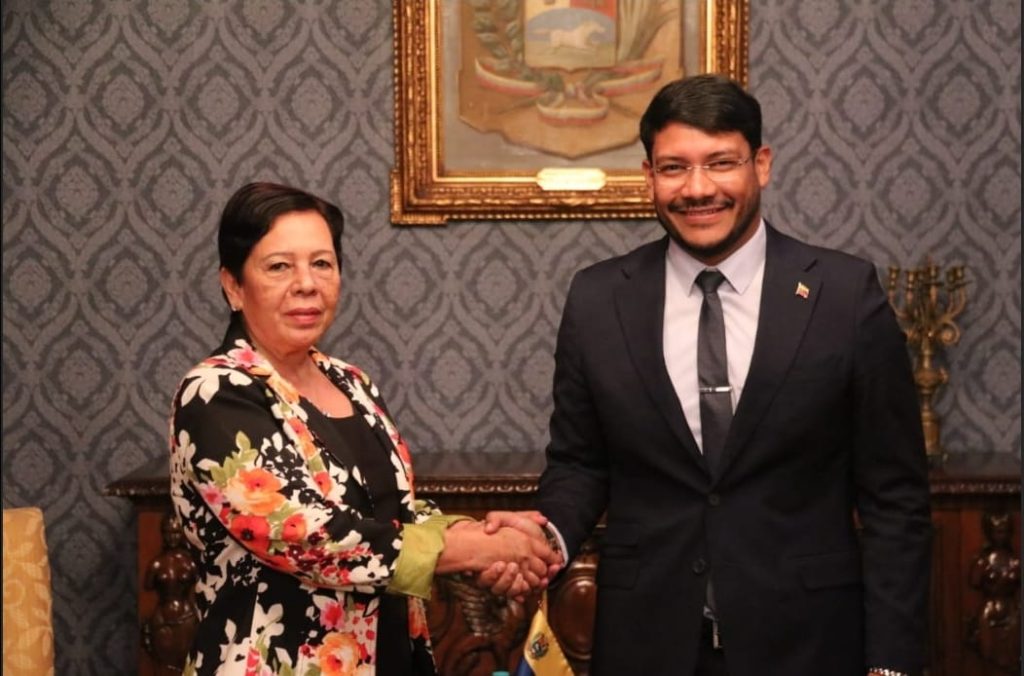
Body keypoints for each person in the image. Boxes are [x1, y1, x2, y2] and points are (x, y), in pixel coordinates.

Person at [488, 74, 932, 675]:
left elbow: (895, 499)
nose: (698, 189)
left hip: (808, 645)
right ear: (649, 175)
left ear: (761, 165)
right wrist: (547, 540)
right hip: (647, 645)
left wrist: (893, 665)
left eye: (721, 163)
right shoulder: (598, 299)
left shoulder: (844, 295)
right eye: (674, 168)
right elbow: (580, 464)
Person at [169, 182, 558, 675]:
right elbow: (306, 536)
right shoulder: (216, 392)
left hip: (389, 653)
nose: (306, 284)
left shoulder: (351, 382)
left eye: (322, 263)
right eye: (279, 266)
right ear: (233, 286)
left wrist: (475, 534)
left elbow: (390, 511)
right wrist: (473, 549)